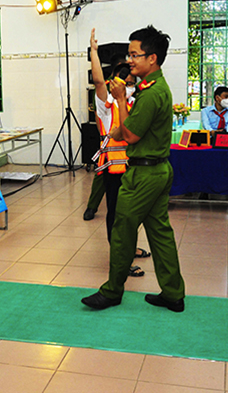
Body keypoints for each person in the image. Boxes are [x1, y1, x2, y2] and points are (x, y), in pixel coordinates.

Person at [81, 25, 185, 311]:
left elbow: (130, 136)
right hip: (157, 170)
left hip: (144, 173)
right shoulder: (153, 88)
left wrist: (119, 101)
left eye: (135, 54)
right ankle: (173, 293)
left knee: (122, 229)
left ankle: (112, 291)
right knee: (160, 232)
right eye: (129, 54)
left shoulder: (151, 94)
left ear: (152, 58)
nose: (130, 60)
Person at [89, 28, 150, 276]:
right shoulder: (108, 102)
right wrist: (94, 52)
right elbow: (97, 81)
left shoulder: (135, 98)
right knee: (116, 215)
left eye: (128, 76)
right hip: (115, 169)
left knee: (131, 213)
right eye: (119, 75)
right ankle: (120, 260)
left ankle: (130, 247)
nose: (124, 80)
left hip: (135, 167)